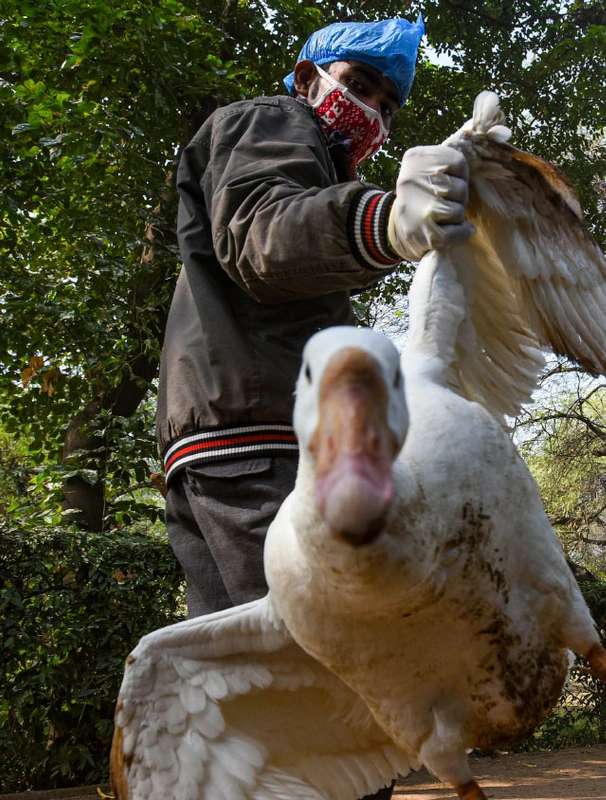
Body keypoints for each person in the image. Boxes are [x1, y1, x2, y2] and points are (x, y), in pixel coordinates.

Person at [156, 15, 474, 621]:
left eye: (387, 105)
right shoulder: (272, 120)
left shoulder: (323, 168)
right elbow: (265, 238)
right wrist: (385, 221)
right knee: (316, 656)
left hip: (220, 437)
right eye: (358, 83)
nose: (371, 111)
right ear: (307, 77)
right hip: (256, 435)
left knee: (242, 672)